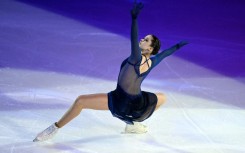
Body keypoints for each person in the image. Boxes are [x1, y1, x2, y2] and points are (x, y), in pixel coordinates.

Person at [33, 2, 188, 142]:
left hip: (119, 101)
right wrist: (179, 46)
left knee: (80, 101)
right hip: (138, 103)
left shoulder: (136, 58)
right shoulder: (153, 61)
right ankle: (132, 123)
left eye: (146, 40)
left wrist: (134, 19)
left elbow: (133, 38)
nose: (142, 40)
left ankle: (54, 128)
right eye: (144, 38)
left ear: (150, 49)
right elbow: (166, 53)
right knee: (162, 97)